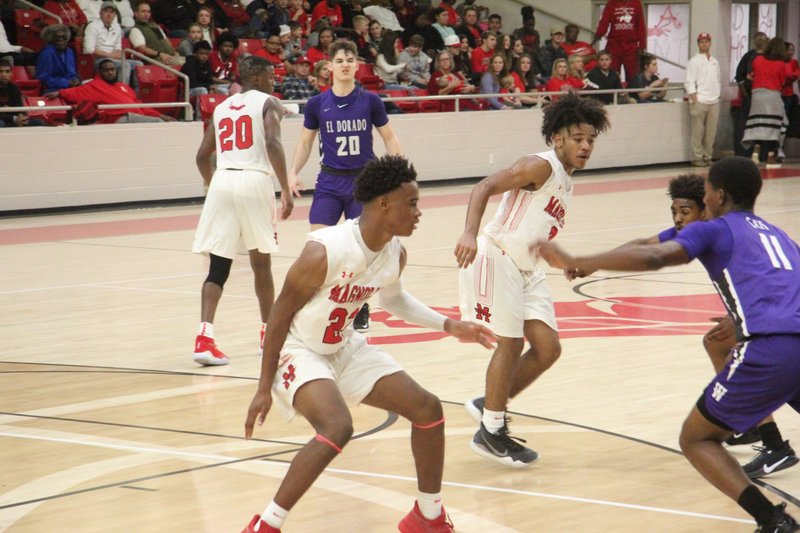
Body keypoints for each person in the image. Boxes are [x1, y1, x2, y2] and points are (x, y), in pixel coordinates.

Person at [538, 156, 800, 532]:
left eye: (707, 187)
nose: (703, 192)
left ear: (719, 195)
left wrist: (579, 257)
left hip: (771, 350)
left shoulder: (714, 228)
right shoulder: (777, 234)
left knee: (696, 439)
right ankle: (772, 446)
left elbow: (654, 256)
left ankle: (772, 520)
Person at [242, 154, 497, 533]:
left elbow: (394, 301)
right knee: (336, 426)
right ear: (383, 204)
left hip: (342, 345)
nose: (418, 213)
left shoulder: (394, 252)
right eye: (411, 204)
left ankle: (427, 517)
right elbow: (278, 316)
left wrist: (450, 325)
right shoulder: (324, 250)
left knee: (427, 408)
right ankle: (265, 525)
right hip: (297, 348)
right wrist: (264, 386)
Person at [454, 92, 610, 467]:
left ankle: (488, 403)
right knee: (509, 343)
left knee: (548, 348)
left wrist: (563, 261)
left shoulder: (566, 180)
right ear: (557, 138)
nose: (586, 145)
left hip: (527, 267)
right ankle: (491, 432)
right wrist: (468, 234)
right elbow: (484, 187)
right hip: (497, 254)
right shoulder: (539, 166)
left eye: (590, 139)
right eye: (577, 138)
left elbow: (536, 228)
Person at [288, 39, 401, 332]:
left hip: (363, 182)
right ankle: (318, 303)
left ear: (357, 66)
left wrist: (398, 172)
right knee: (317, 247)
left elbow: (388, 136)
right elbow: (304, 142)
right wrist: (292, 172)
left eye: (350, 59)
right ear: (330, 67)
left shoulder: (370, 101)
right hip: (328, 181)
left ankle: (359, 306)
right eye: (339, 60)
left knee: (360, 252)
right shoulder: (316, 104)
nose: (345, 64)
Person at [191, 55, 294, 366]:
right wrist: (286, 188)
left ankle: (204, 338)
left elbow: (201, 156)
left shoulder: (221, 107)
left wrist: (214, 186)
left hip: (223, 180)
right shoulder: (269, 102)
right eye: (271, 75)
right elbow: (273, 144)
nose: (275, 79)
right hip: (253, 181)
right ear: (258, 78)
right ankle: (269, 336)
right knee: (261, 263)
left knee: (218, 267)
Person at [51, 58, 175, 123]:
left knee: (161, 121)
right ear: (100, 72)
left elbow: (141, 106)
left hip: (136, 116)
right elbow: (75, 93)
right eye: (107, 70)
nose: (111, 72)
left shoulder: (124, 87)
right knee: (157, 123)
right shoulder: (94, 85)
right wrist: (59, 92)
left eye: (113, 69)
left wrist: (163, 116)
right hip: (119, 118)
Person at [742, 37, 790, 167]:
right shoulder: (781, 64)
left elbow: (751, 75)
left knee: (759, 124)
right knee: (775, 125)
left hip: (757, 95)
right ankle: (770, 156)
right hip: (773, 95)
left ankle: (755, 153)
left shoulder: (757, 60)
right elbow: (782, 82)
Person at [83, 1, 142, 87]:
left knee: (139, 64)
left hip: (114, 59)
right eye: (106, 11)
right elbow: (88, 49)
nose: (109, 14)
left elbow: (118, 46)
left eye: (112, 12)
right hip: (99, 60)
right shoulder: (92, 26)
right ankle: (121, 92)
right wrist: (110, 55)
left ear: (115, 15)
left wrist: (118, 53)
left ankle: (136, 95)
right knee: (125, 65)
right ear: (100, 13)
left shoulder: (116, 26)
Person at [685, 33, 721, 167]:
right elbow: (689, 81)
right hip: (700, 100)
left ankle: (708, 155)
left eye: (706, 41)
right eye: (701, 42)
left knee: (711, 132)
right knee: (697, 131)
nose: (704, 44)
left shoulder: (714, 61)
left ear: (710, 43)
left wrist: (717, 95)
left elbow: (718, 80)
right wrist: (694, 97)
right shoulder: (694, 61)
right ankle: (697, 157)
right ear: (698, 44)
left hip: (713, 100)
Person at [593, 0, 646, 81]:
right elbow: (604, 21)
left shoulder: (636, 3)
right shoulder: (611, 3)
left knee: (632, 76)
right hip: (614, 46)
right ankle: (613, 93)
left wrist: (642, 45)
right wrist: (598, 34)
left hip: (631, 46)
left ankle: (631, 93)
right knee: (612, 75)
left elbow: (640, 25)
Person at [129, 0, 184, 66]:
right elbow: (143, 49)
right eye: (143, 11)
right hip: (156, 60)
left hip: (170, 57)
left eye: (148, 12)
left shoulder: (155, 26)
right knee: (186, 64)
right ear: (136, 13)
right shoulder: (135, 30)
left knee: (192, 61)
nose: (146, 14)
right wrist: (160, 54)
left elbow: (165, 39)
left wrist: (174, 52)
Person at [0, 57, 45, 127]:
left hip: (14, 120)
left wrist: (21, 117)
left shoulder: (14, 88)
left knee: (39, 123)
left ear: (11, 74)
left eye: (7, 71)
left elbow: (20, 108)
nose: (4, 74)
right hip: (5, 120)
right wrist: (14, 119)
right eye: (1, 71)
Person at [35, 25, 80, 93]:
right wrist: (66, 82)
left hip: (71, 87)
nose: (61, 40)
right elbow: (43, 78)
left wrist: (76, 79)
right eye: (57, 38)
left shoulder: (69, 51)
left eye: (63, 37)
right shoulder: (47, 53)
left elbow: (72, 73)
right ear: (51, 40)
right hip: (53, 89)